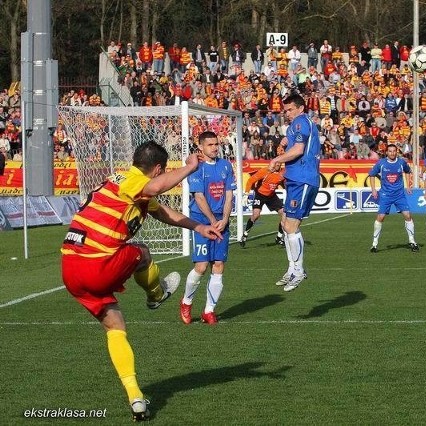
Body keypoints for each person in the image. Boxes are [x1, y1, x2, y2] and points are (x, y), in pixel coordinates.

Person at [60, 141, 222, 421]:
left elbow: (163, 213)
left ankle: (136, 398)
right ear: (158, 168)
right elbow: (156, 187)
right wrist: (190, 167)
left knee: (115, 328)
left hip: (70, 268)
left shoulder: (121, 181)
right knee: (142, 252)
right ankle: (156, 295)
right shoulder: (135, 180)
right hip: (97, 263)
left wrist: (198, 226)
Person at [179, 131, 236, 325]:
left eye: (216, 144)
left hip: (221, 221)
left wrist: (226, 219)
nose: (214, 147)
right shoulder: (196, 167)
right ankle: (186, 302)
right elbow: (199, 197)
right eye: (210, 144)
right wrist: (211, 220)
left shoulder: (226, 166)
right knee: (202, 267)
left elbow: (229, 195)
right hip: (201, 221)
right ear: (201, 146)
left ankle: (208, 311)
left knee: (218, 265)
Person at [268, 93, 321, 292]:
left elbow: (299, 149)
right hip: (296, 178)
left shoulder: (300, 122)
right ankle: (292, 269)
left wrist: (276, 160)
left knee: (291, 225)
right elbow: (296, 145)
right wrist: (284, 143)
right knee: (285, 223)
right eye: (285, 110)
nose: (287, 113)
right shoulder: (297, 125)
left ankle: (298, 271)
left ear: (300, 108)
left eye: (290, 109)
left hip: (303, 179)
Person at [368, 143, 419, 253]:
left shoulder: (401, 162)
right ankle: (374, 244)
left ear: (397, 152)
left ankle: (412, 241)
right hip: (386, 195)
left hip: (399, 194)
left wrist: (408, 186)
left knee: (407, 215)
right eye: (390, 151)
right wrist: (373, 189)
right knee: (380, 217)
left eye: (394, 151)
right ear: (386, 152)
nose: (392, 153)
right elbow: (372, 174)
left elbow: (408, 171)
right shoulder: (381, 163)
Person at [240, 163, 286, 247]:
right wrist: (246, 194)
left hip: (271, 196)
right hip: (260, 195)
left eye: (279, 164)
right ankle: (245, 235)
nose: (277, 166)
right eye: (276, 164)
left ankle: (279, 237)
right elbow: (250, 180)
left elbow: (286, 182)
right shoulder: (264, 171)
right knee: (256, 215)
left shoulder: (282, 174)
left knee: (284, 214)